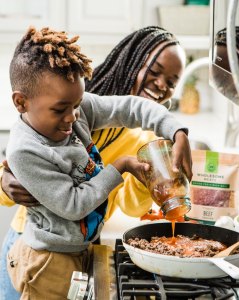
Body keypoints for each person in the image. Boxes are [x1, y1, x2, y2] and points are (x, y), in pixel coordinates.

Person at [3, 26, 191, 299]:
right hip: (45, 257)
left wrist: (177, 130)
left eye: (172, 81)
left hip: (80, 246)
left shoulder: (72, 105)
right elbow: (73, 204)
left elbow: (130, 108)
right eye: (154, 71)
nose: (72, 118)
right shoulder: (31, 141)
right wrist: (121, 166)